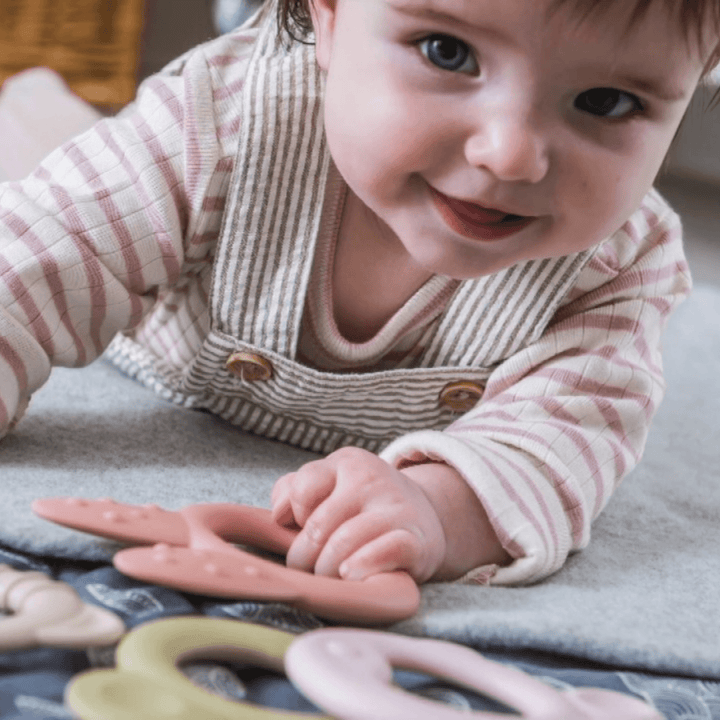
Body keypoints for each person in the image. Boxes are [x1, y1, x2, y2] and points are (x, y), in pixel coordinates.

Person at [0, 0, 718, 588]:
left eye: (605, 101)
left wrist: (441, 509)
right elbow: (44, 253)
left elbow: (570, 435)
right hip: (157, 302)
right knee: (64, 171)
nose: (509, 153)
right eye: (447, 51)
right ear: (329, 16)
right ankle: (38, 104)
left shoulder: (623, 262)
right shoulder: (217, 119)